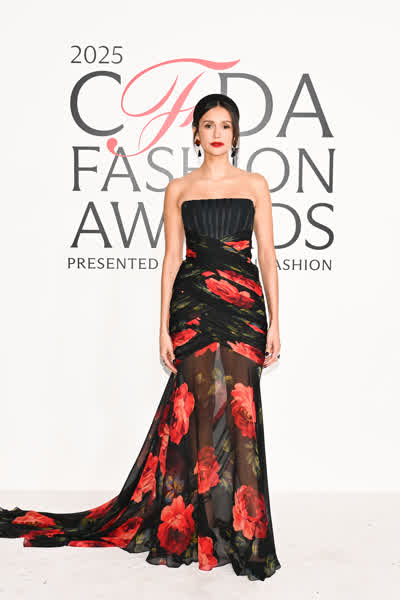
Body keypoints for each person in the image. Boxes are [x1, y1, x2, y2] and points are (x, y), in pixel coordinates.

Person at [0, 93, 282, 582]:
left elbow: (269, 258)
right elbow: (171, 259)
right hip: (193, 306)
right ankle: (197, 529)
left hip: (243, 308)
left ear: (236, 134)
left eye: (225, 125)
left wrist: (276, 321)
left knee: (240, 414)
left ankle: (243, 534)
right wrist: (162, 326)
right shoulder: (179, 188)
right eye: (208, 124)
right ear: (195, 133)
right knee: (194, 413)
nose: (217, 133)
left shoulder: (255, 184)